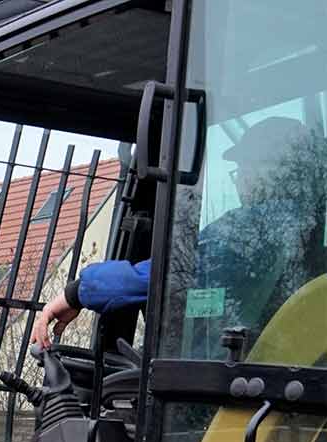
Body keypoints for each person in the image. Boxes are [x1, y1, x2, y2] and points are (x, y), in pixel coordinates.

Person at [34, 116, 326, 348]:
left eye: (244, 169)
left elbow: (169, 273)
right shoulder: (310, 225)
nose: (240, 182)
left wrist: (76, 293)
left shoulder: (252, 228)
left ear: (269, 170)